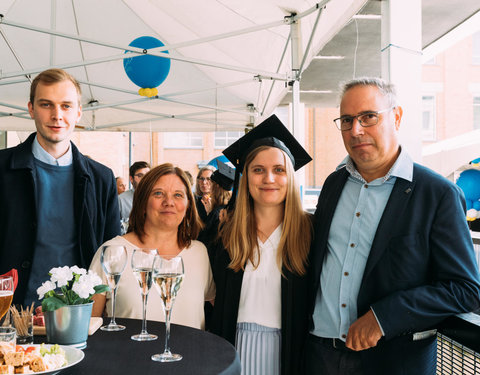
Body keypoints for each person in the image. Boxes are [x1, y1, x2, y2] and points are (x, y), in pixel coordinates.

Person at [306, 77, 480, 375]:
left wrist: (384, 316)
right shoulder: (333, 185)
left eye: (368, 117)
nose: (356, 130)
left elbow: (465, 289)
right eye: (347, 120)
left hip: (392, 360)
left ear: (396, 117)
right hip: (319, 353)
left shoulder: (437, 194)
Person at [0, 68, 121, 306]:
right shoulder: (1, 169)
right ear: (31, 109)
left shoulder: (102, 178)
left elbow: (111, 255)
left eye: (66, 106)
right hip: (9, 315)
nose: (57, 115)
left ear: (78, 112)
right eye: (46, 105)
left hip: (78, 314)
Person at [210, 115, 313, 375]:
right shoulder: (224, 235)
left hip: (290, 352)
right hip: (232, 348)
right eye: (258, 169)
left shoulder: (312, 232)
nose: (269, 178)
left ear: (290, 177)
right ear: (246, 177)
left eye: (279, 170)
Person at [90, 163, 215, 330]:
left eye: (178, 195)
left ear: (188, 206)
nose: (169, 202)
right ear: (142, 202)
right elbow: (88, 325)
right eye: (158, 194)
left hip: (191, 354)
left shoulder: (199, 252)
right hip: (127, 355)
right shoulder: (112, 252)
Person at [197, 160, 234, 258]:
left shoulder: (217, 213)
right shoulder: (231, 208)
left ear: (216, 186)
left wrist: (210, 214)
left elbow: (204, 241)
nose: (207, 184)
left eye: (211, 182)